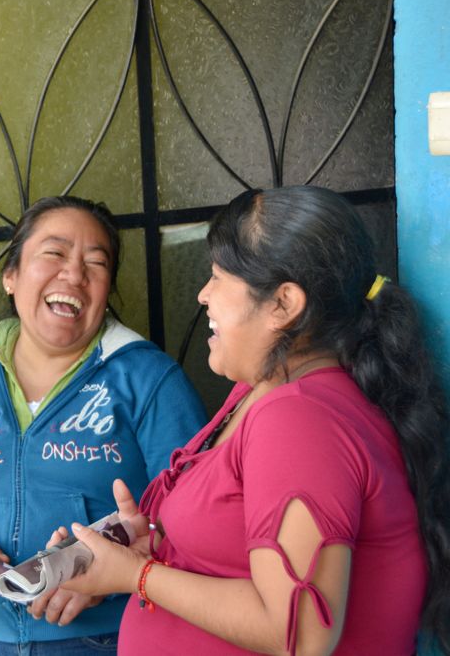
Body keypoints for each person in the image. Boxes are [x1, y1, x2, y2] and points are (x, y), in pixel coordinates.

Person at [56, 186, 450, 655]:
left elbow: (301, 634)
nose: (203, 295)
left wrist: (136, 576)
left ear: (284, 304)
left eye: (219, 276)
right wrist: (144, 548)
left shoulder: (300, 418)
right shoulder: (261, 391)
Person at [0, 196, 206, 654]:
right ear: (11, 276)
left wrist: (111, 575)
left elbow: (197, 517)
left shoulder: (149, 381)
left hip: (113, 640)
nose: (74, 275)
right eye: (55, 254)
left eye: (95, 264)